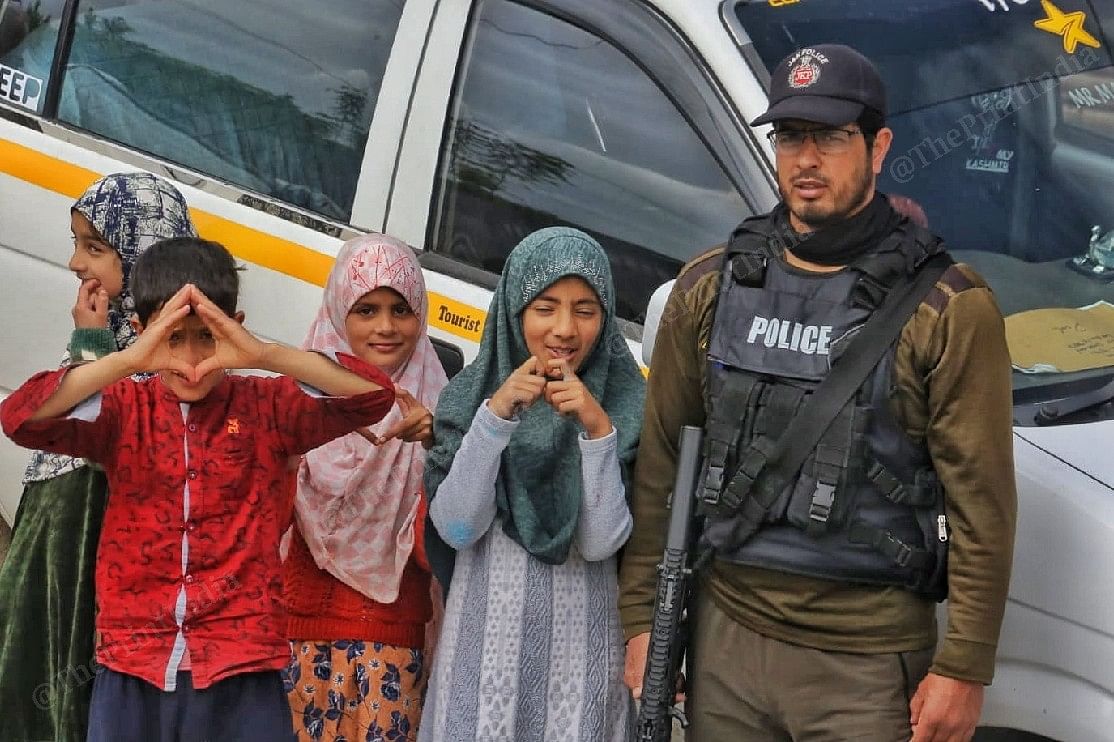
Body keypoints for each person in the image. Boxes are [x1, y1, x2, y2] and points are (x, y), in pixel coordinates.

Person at [619, 44, 1017, 742]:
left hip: (863, 664)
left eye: (831, 138)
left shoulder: (946, 309)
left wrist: (966, 667)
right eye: (791, 137)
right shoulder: (710, 286)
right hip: (725, 642)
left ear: (879, 146)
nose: (806, 159)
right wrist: (642, 622)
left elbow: (983, 508)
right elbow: (661, 474)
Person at [0, 236, 396, 742]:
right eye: (172, 338)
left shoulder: (266, 408)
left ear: (233, 327)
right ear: (143, 332)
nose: (190, 360)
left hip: (241, 666)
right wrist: (127, 359)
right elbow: (20, 419)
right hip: (135, 665)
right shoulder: (123, 410)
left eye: (207, 337)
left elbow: (373, 397)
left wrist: (263, 352)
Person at [419, 227, 645, 742]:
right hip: (485, 658)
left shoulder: (629, 408)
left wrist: (597, 429)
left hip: (582, 658)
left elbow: (600, 541)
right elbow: (456, 526)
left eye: (585, 310)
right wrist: (496, 416)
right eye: (545, 307)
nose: (564, 329)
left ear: (606, 320)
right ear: (513, 311)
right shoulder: (469, 398)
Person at [0, 172, 196, 742]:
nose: (75, 264)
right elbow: (28, 419)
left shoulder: (170, 368)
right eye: (76, 243)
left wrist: (95, 352)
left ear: (143, 258)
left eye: (96, 248)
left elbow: (106, 439)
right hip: (49, 579)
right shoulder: (96, 342)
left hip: (95, 591)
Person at [282, 234, 448, 741]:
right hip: (297, 636)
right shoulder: (296, 401)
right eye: (366, 309)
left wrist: (441, 444)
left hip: (391, 645)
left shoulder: (440, 409)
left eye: (401, 310)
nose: (385, 327)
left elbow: (444, 538)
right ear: (338, 311)